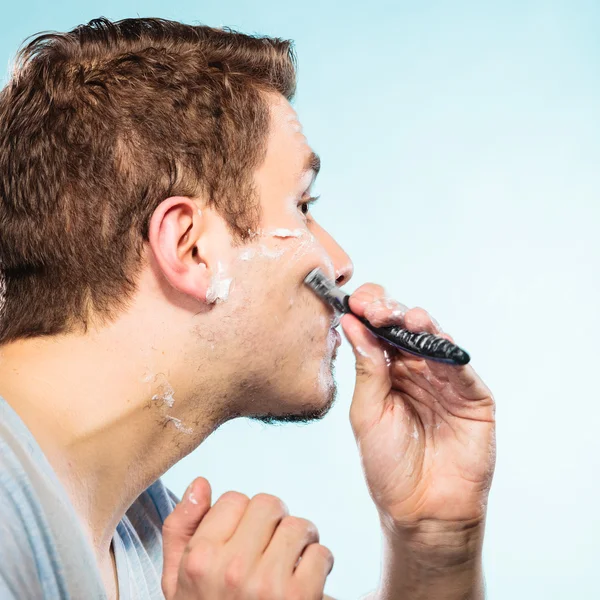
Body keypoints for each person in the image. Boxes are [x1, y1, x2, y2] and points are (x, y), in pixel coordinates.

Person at [0, 17, 496, 600]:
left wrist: (437, 543)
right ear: (191, 247)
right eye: (303, 204)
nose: (341, 263)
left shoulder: (151, 543)